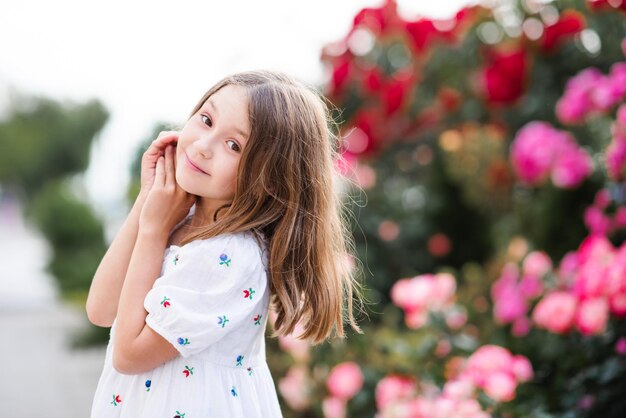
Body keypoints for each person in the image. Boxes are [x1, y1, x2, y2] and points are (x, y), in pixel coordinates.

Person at [86, 70, 364, 417]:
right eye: (206, 120)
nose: (203, 147)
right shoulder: (179, 221)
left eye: (233, 145)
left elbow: (128, 356)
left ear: (272, 180)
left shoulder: (231, 254)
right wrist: (148, 200)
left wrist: (154, 231)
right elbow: (100, 310)